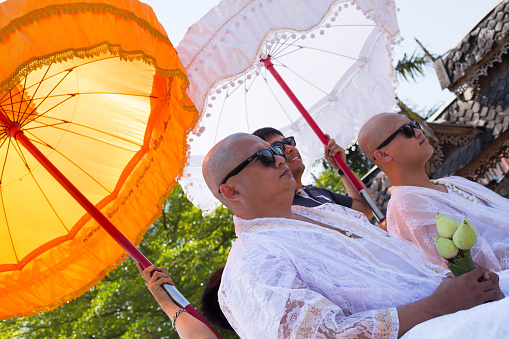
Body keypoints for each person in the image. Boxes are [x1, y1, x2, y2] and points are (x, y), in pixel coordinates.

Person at [140, 132, 507, 338]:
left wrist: (462, 283)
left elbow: (413, 271)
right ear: (232, 192)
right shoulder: (251, 262)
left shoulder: (327, 212)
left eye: (278, 149)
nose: (281, 158)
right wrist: (437, 305)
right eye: (265, 157)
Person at [358, 112, 509, 272]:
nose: (419, 131)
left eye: (415, 125)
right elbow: (475, 263)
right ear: (383, 154)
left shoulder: (453, 182)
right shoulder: (405, 205)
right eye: (407, 130)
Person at [252, 127, 374, 218]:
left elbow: (366, 210)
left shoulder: (316, 192)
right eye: (278, 148)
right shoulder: (283, 212)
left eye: (289, 142)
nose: (290, 148)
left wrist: (340, 167)